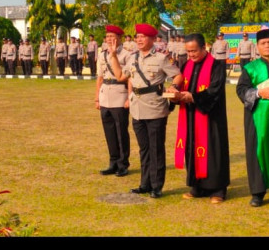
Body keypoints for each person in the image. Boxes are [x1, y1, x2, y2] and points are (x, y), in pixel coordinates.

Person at [109, 23, 182, 199]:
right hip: (137, 109)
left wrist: (173, 86)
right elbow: (120, 76)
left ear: (151, 39)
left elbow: (178, 75)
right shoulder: (133, 58)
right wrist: (113, 56)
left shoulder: (161, 58)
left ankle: (156, 186)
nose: (139, 40)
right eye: (137, 37)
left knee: (156, 148)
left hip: (156, 108)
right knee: (144, 149)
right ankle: (145, 183)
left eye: (142, 37)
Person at [236, 29, 269, 207]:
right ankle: (258, 193)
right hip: (257, 116)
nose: (267, 46)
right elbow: (241, 90)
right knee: (257, 150)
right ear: (257, 47)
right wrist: (259, 92)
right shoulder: (250, 68)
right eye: (263, 43)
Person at [174, 33, 230, 204]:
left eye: (194, 51)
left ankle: (218, 189)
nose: (191, 55)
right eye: (188, 51)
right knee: (192, 148)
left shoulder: (217, 65)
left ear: (204, 47)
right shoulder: (186, 65)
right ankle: (197, 186)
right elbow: (182, 83)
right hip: (191, 116)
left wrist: (194, 98)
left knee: (214, 151)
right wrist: (175, 93)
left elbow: (214, 90)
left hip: (211, 116)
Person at [96, 25, 131, 178]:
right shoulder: (102, 54)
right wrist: (97, 97)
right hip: (105, 95)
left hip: (120, 95)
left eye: (112, 36)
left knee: (121, 132)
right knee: (109, 131)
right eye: (107, 36)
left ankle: (123, 164)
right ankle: (113, 162)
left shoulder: (127, 54)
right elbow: (100, 77)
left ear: (119, 38)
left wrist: (129, 98)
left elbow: (130, 78)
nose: (109, 39)